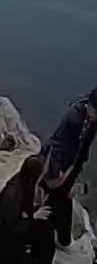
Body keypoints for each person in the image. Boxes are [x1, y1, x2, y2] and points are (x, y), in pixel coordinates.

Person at [41, 89, 97, 247]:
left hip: (72, 164)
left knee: (63, 199)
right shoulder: (74, 117)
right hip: (57, 163)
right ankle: (50, 236)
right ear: (90, 106)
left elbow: (85, 147)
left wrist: (77, 174)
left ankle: (62, 238)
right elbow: (59, 144)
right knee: (53, 197)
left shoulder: (91, 120)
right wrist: (57, 171)